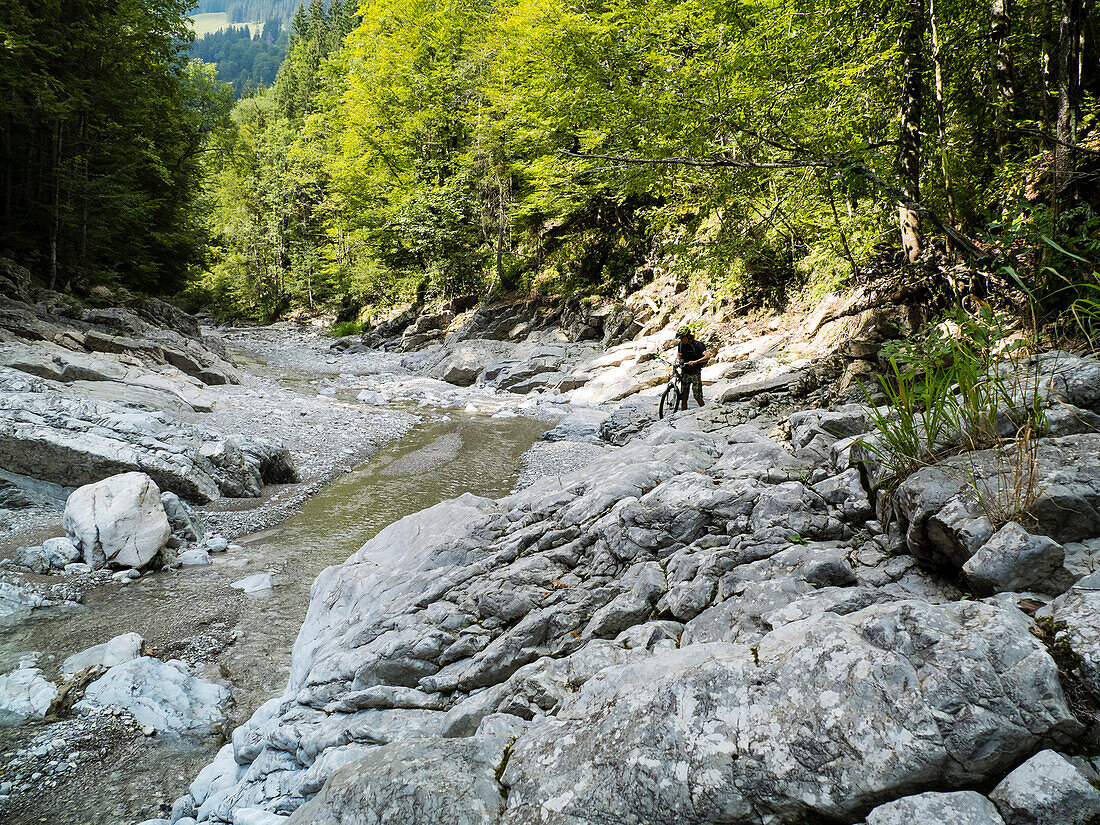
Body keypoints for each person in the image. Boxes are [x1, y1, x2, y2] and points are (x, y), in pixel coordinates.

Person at [674, 326, 709, 410]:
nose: (681, 340)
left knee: (697, 396)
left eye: (683, 338)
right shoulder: (681, 345)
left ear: (688, 336)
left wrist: (696, 362)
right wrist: (677, 358)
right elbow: (679, 354)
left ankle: (705, 410)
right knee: (684, 397)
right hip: (685, 371)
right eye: (680, 338)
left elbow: (707, 356)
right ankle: (683, 413)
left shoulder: (698, 345)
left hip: (695, 372)